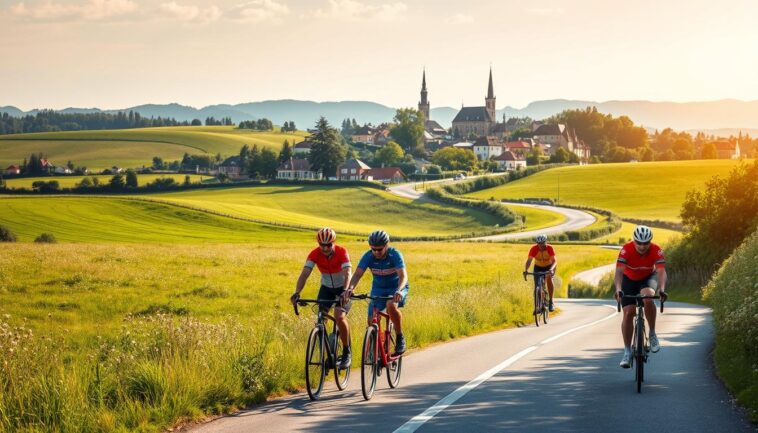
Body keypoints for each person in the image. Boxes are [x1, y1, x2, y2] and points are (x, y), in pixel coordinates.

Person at [291, 227, 353, 368]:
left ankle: (346, 351)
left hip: (342, 288)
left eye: (328, 245)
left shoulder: (342, 252)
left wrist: (345, 291)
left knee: (339, 316)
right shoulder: (314, 254)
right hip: (326, 289)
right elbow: (305, 273)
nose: (325, 248)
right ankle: (326, 356)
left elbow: (348, 273)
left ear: (334, 243)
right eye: (322, 245)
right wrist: (297, 292)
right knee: (320, 319)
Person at [343, 230, 409, 355]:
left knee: (390, 305)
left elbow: (403, 275)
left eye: (379, 249)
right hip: (378, 289)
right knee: (371, 320)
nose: (376, 252)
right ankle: (379, 350)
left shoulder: (394, 255)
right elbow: (357, 274)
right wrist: (350, 288)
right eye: (373, 249)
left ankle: (400, 337)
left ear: (386, 245)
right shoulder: (368, 256)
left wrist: (399, 290)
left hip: (397, 287)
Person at [614, 225, 668, 368]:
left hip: (648, 277)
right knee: (629, 312)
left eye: (646, 243)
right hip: (628, 279)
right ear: (634, 241)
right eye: (639, 243)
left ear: (650, 241)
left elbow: (662, 272)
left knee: (648, 299)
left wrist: (662, 289)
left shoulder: (657, 250)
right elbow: (618, 273)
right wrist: (618, 289)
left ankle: (652, 334)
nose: (642, 246)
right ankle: (627, 351)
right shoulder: (626, 250)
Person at [523, 234, 558, 312]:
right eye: (539, 243)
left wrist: (551, 269)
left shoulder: (550, 248)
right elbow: (529, 261)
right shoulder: (534, 249)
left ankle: (551, 301)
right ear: (537, 243)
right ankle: (538, 306)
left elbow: (554, 261)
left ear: (546, 242)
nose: (541, 245)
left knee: (549, 278)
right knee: (537, 286)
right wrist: (526, 270)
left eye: (542, 243)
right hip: (538, 267)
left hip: (549, 267)